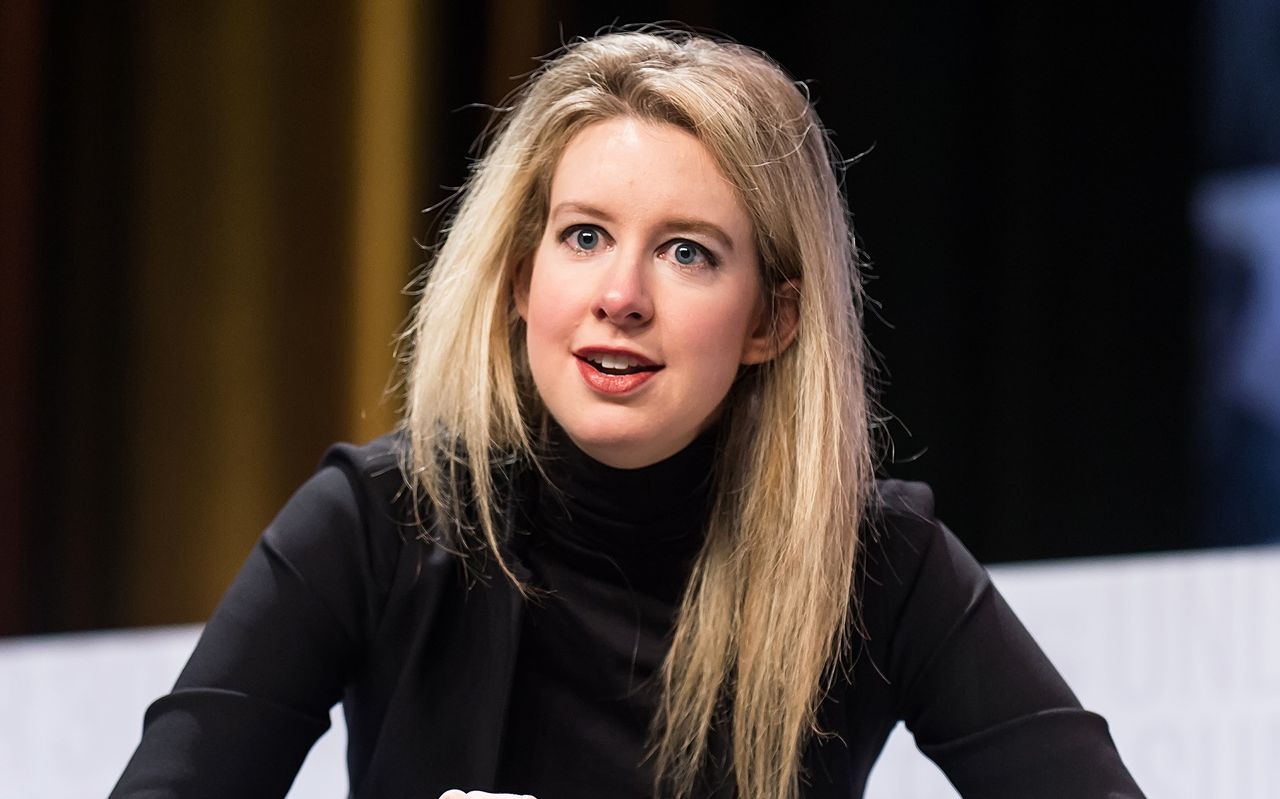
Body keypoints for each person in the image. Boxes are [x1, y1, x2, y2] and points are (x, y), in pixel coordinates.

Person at [110, 29, 1146, 799]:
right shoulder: (377, 520)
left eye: (686, 251)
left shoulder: (873, 561)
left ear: (771, 321)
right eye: (583, 236)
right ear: (521, 280)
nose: (622, 295)